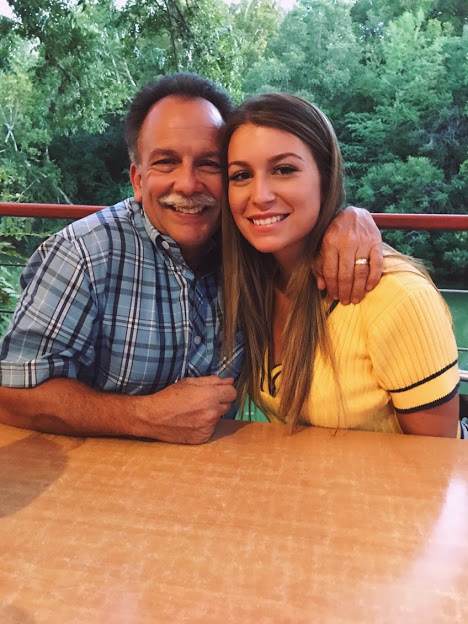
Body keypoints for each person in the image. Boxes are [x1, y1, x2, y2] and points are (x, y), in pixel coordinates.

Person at [0, 74, 383, 444]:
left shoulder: (249, 246)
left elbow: (293, 210)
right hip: (97, 489)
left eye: (209, 164)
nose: (187, 184)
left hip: (217, 487)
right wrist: (144, 416)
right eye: (166, 162)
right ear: (137, 179)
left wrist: (349, 218)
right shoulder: (83, 253)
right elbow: (11, 394)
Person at [222, 93, 460, 437]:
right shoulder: (246, 282)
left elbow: (438, 465)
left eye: (284, 170)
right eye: (241, 175)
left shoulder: (397, 298)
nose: (259, 195)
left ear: (326, 175)